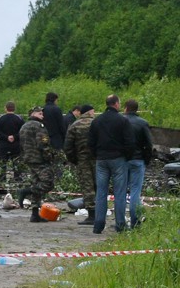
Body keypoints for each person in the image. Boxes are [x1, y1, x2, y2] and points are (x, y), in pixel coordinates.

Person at [88, 94, 135, 234]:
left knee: (101, 192)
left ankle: (98, 225)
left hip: (101, 160)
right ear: (116, 104)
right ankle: (120, 224)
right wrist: (127, 156)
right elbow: (130, 142)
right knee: (119, 192)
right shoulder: (122, 120)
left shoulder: (96, 121)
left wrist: (97, 155)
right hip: (118, 159)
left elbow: (90, 142)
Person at [18, 106, 55, 222]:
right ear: (34, 114)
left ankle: (35, 213)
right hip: (39, 159)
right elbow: (42, 144)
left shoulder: (24, 126)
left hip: (28, 158)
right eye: (40, 114)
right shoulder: (39, 126)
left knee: (36, 182)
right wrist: (49, 156)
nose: (42, 116)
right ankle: (25, 191)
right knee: (48, 183)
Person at [64, 104, 96, 225]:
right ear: (90, 112)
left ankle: (91, 215)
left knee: (87, 187)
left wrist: (74, 159)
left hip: (82, 160)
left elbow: (68, 146)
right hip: (98, 160)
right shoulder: (96, 123)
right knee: (98, 185)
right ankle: (100, 212)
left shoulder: (74, 125)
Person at [124, 99, 153, 229]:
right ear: (137, 109)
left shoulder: (120, 122)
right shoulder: (143, 123)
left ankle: (120, 221)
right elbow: (149, 144)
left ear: (125, 108)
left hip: (122, 160)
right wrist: (146, 160)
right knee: (135, 190)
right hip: (138, 160)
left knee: (121, 191)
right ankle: (135, 221)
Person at [0, 101, 25, 181]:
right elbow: (23, 131)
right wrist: (14, 137)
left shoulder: (0, 118)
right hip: (16, 144)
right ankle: (18, 180)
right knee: (17, 164)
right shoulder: (19, 118)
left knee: (2, 164)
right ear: (14, 108)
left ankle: (1, 181)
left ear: (5, 108)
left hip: (3, 144)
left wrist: (6, 137)